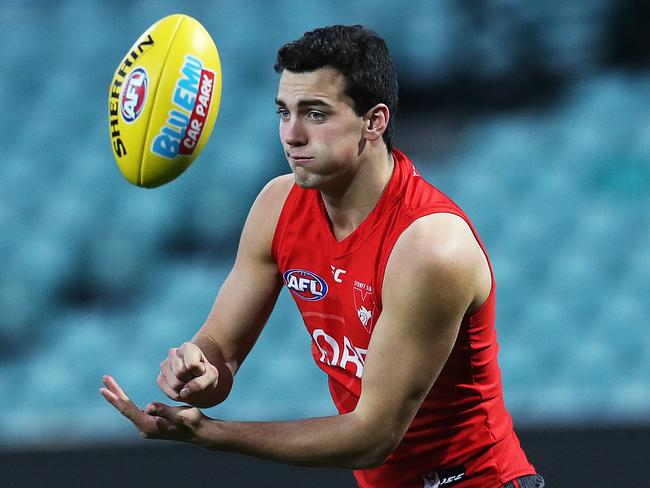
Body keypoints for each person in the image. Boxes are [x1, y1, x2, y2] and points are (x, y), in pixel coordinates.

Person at [101, 25, 544, 488]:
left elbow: (372, 437)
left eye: (315, 114)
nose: (291, 135)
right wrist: (198, 369)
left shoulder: (430, 247)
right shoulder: (277, 206)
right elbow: (221, 350)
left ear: (374, 122)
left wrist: (212, 434)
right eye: (283, 112)